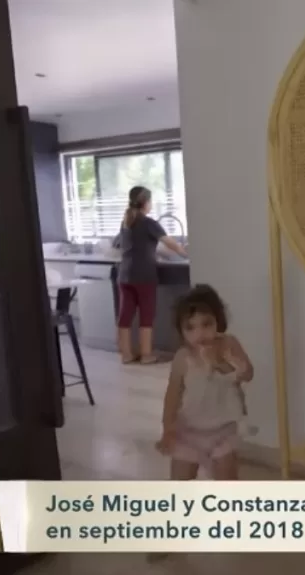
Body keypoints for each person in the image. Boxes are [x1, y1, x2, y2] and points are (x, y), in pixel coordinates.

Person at [155, 285, 254, 481]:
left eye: (207, 324)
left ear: (219, 321)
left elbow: (248, 374)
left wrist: (219, 363)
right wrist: (167, 428)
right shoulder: (183, 357)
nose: (199, 333)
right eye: (190, 327)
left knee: (227, 483)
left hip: (224, 430)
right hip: (187, 432)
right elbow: (172, 395)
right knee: (180, 483)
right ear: (181, 331)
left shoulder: (229, 345)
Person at [116, 185, 188, 364]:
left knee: (125, 316)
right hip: (143, 276)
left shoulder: (126, 221)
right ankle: (146, 355)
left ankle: (126, 355)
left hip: (124, 275)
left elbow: (130, 245)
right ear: (146, 202)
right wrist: (185, 253)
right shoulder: (148, 223)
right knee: (146, 316)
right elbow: (169, 242)